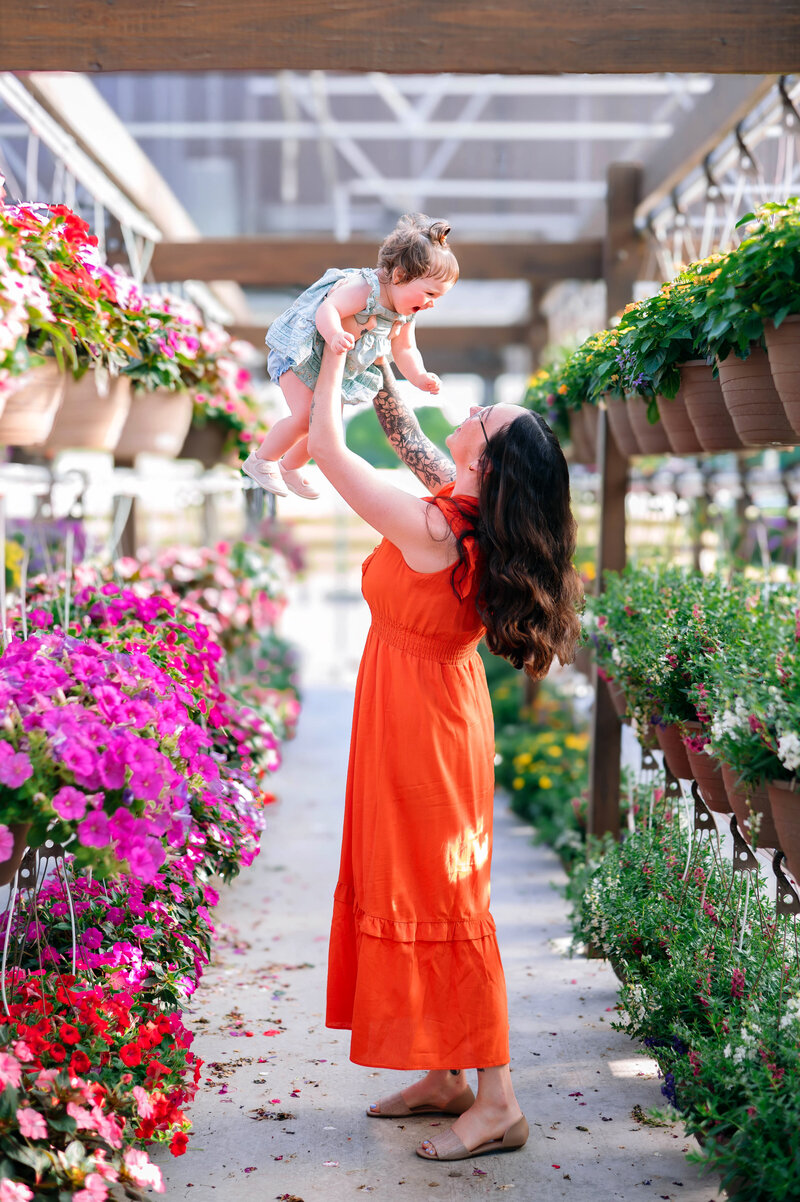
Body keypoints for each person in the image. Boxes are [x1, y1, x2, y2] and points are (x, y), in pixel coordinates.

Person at [306, 349, 582, 1162]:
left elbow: (329, 451)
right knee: (413, 880)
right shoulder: (455, 501)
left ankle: (497, 1101)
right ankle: (445, 1076)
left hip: (426, 730)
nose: (467, 416)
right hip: (416, 714)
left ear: (485, 460)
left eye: (482, 421)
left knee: (445, 896)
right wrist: (379, 351)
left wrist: (327, 356)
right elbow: (405, 431)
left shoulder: (435, 529)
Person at [242, 214, 458, 500]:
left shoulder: (405, 314)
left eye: (438, 298)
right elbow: (328, 309)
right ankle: (261, 460)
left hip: (329, 373)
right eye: (430, 293)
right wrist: (334, 335)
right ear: (399, 276)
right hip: (301, 356)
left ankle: (289, 466)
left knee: (324, 427)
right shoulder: (365, 288)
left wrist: (419, 376)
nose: (432, 303)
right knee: (306, 417)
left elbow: (405, 349)